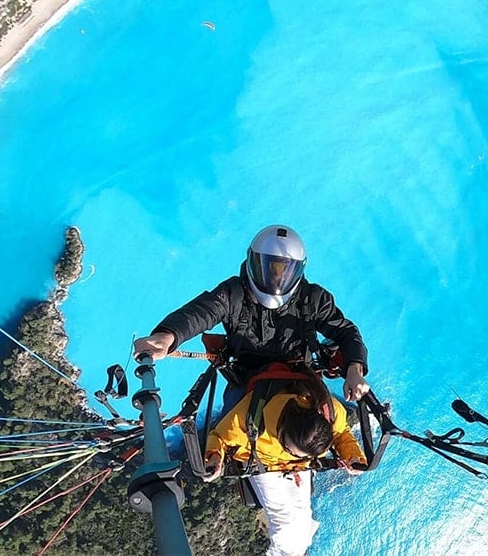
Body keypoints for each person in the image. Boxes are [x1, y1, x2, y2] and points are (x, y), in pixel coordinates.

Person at [133, 225, 370, 403]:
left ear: (298, 270)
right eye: (269, 267)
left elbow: (346, 332)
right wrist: (168, 335)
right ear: (253, 262)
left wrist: (354, 369)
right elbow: (201, 312)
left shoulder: (313, 298)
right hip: (246, 380)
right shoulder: (233, 293)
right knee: (231, 433)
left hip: (301, 378)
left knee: (326, 425)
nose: (276, 278)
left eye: (284, 271)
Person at [202, 375, 365, 556]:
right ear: (282, 432)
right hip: (263, 463)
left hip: (299, 467)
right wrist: (215, 457)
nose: (294, 454)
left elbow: (341, 433)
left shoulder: (328, 411)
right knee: (283, 521)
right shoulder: (251, 415)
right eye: (292, 450)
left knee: (303, 518)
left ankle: (295, 552)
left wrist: (353, 457)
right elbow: (220, 437)